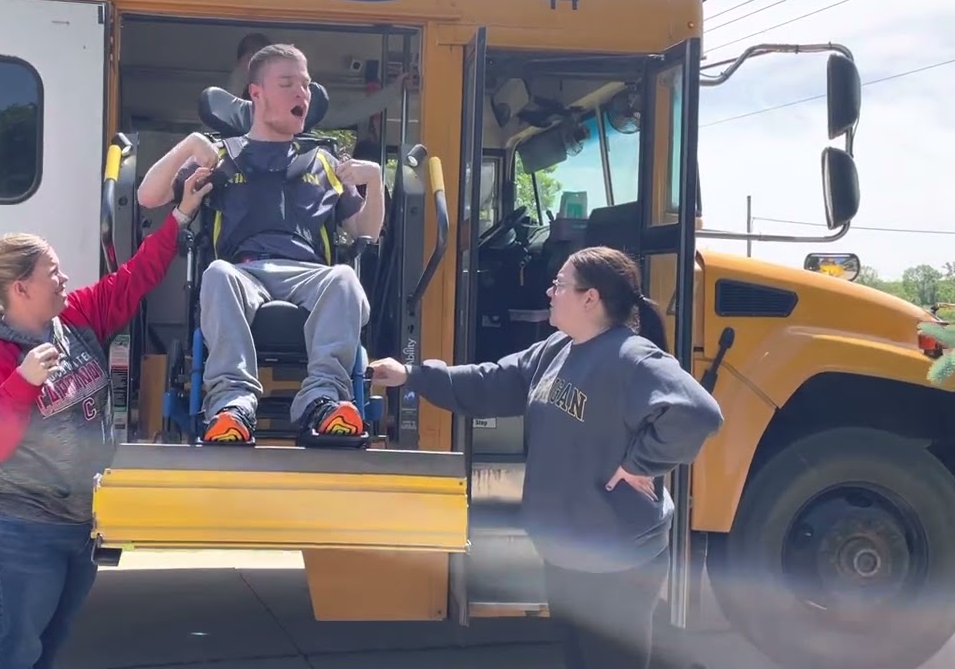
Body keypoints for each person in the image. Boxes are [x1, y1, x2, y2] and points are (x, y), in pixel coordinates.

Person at [369, 246, 724, 669]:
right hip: (565, 554)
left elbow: (698, 412)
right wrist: (413, 375)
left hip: (616, 562)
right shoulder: (557, 349)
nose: (550, 291)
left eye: (560, 284)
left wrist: (640, 463)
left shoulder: (631, 357)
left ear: (590, 298)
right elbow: (492, 381)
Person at [0, 179, 211, 669]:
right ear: (21, 287)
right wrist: (22, 383)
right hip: (14, 524)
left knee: (46, 647)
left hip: (78, 524)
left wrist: (180, 216)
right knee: (13, 648)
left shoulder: (75, 320)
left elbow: (134, 278)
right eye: (54, 272)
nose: (65, 279)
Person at [138, 42, 386, 445]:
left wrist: (374, 180)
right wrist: (188, 145)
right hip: (243, 273)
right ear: (256, 93)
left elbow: (366, 234)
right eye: (287, 83)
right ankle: (232, 406)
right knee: (217, 273)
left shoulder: (324, 161)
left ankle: (322, 401)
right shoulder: (222, 155)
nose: (301, 94)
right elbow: (149, 197)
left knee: (344, 278)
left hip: (310, 276)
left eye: (306, 85)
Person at [228, 32, 412, 131]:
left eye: (305, 84)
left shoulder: (299, 109)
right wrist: (241, 74)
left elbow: (348, 114)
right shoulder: (233, 117)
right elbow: (213, 125)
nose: (299, 92)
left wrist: (394, 90)